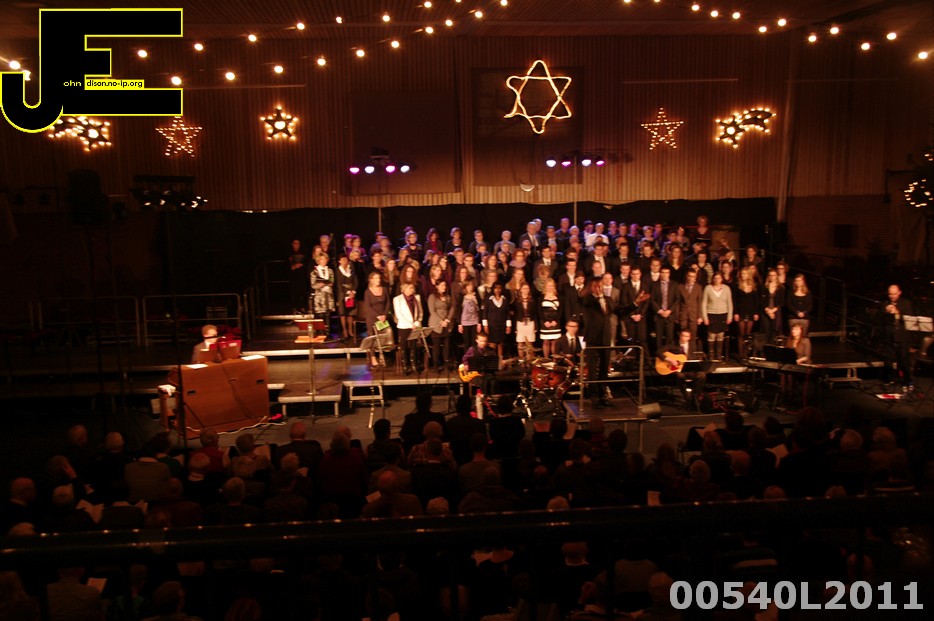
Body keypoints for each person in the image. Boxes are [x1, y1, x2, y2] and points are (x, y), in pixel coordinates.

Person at [657, 329, 707, 408]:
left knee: (702, 375)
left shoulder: (693, 345)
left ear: (689, 337)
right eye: (683, 335)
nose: (684, 338)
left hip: (690, 369)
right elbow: (658, 352)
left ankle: (695, 398)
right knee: (679, 376)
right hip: (678, 370)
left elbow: (694, 358)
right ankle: (687, 398)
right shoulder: (673, 343)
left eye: (687, 336)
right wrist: (670, 360)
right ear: (680, 335)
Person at [882, 283, 913, 390]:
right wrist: (886, 310)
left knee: (903, 361)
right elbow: (881, 317)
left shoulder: (906, 303)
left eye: (894, 294)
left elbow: (909, 319)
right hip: (890, 336)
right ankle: (890, 380)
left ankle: (907, 381)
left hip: (902, 337)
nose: (892, 296)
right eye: (890, 294)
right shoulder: (886, 303)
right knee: (888, 361)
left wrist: (897, 313)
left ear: (899, 293)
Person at [362, 271, 391, 369]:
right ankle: (373, 357)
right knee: (372, 336)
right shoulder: (367, 292)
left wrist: (384, 315)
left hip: (383, 317)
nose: (378, 280)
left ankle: (382, 355)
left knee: (386, 334)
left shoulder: (384, 289)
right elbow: (367, 307)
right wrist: (378, 316)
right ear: (371, 280)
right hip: (372, 318)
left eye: (379, 278)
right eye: (376, 278)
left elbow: (388, 303)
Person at [701, 271, 733, 361]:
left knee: (720, 335)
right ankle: (711, 355)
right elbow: (704, 303)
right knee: (711, 335)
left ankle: (719, 355)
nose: (716, 280)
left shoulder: (726, 288)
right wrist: (705, 317)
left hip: (723, 314)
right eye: (715, 278)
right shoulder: (708, 288)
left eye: (718, 278)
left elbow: (729, 303)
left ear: (722, 279)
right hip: (711, 314)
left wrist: (730, 316)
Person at [393, 282, 424, 375]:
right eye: (410, 288)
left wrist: (418, 322)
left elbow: (420, 312)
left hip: (415, 325)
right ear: (404, 289)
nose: (412, 290)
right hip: (404, 326)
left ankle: (414, 364)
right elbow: (399, 314)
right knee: (404, 346)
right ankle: (405, 366)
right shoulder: (397, 299)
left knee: (414, 345)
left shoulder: (417, 298)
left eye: (413, 288)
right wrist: (410, 324)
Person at [733, 266, 760, 357]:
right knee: (741, 334)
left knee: (748, 334)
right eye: (742, 274)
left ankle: (746, 354)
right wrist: (736, 313)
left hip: (751, 311)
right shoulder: (737, 285)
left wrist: (756, 313)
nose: (743, 275)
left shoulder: (753, 285)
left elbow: (756, 301)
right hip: (741, 311)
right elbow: (735, 300)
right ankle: (741, 354)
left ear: (748, 274)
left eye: (745, 273)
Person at [651, 266, 679, 351]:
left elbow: (677, 299)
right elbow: (652, 300)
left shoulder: (675, 284)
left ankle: (668, 356)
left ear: (669, 274)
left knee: (669, 338)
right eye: (662, 272)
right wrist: (660, 311)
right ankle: (659, 356)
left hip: (670, 315)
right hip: (659, 316)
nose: (664, 274)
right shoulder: (654, 285)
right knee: (658, 339)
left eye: (666, 273)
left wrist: (669, 311)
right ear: (660, 273)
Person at [427, 279, 453, 373]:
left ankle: (446, 365)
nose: (444, 287)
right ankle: (435, 366)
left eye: (445, 285)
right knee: (437, 346)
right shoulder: (432, 297)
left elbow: (451, 308)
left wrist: (447, 319)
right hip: (436, 324)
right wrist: (440, 321)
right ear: (437, 286)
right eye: (442, 285)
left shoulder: (447, 296)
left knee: (446, 346)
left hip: (446, 323)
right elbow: (432, 311)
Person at [481, 282, 511, 361]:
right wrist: (485, 325)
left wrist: (508, 326)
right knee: (492, 344)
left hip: (501, 325)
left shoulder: (504, 299)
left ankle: (500, 362)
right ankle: (492, 362)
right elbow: (484, 313)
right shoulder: (489, 299)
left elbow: (507, 313)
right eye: (495, 288)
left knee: (500, 344)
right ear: (493, 289)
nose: (497, 290)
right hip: (491, 325)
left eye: (499, 288)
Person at [335, 254, 359, 341]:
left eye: (345, 259)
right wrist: (346, 293)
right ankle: (345, 331)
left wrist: (353, 291)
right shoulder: (338, 271)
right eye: (342, 260)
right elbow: (338, 285)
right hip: (342, 294)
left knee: (350, 313)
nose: (344, 261)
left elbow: (356, 281)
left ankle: (350, 330)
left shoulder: (351, 269)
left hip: (351, 293)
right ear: (339, 261)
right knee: (343, 314)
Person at [677, 268, 704, 341]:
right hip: (683, 315)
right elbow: (678, 302)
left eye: (693, 276)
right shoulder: (680, 287)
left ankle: (692, 348)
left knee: (693, 335)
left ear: (695, 278)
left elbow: (700, 302)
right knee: (682, 336)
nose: (690, 278)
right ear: (686, 276)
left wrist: (700, 316)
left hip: (693, 315)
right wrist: (677, 316)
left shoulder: (698, 287)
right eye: (689, 276)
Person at [309, 252, 336, 327]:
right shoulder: (314, 272)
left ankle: (327, 331)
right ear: (318, 260)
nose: (324, 261)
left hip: (328, 295)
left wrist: (330, 283)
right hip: (320, 296)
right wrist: (319, 285)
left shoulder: (330, 271)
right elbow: (313, 285)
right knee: (320, 315)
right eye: (322, 259)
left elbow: (332, 281)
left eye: (325, 259)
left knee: (328, 315)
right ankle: (320, 331)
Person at [538, 278, 562, 357]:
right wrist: (545, 321)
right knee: (546, 341)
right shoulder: (541, 296)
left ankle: (554, 359)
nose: (550, 287)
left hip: (555, 321)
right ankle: (546, 359)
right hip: (545, 321)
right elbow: (539, 310)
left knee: (555, 341)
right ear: (545, 286)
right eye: (548, 286)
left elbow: (560, 310)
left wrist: (556, 320)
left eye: (551, 285)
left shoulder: (558, 296)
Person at [761, 267, 785, 345]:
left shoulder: (781, 288)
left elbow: (782, 302)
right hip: (766, 312)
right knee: (766, 331)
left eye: (774, 275)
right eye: (770, 275)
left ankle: (771, 348)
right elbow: (762, 301)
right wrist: (768, 310)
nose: (772, 277)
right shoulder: (764, 287)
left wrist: (773, 310)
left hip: (776, 312)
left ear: (776, 276)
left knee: (774, 331)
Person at [288, 238, 309, 314]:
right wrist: (293, 266)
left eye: (298, 243)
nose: (296, 245)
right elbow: (287, 264)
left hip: (302, 276)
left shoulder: (304, 253)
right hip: (293, 276)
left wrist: (301, 265)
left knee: (302, 292)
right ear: (292, 244)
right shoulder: (289, 253)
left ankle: (302, 308)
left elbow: (306, 264)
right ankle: (294, 308)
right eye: (295, 243)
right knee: (294, 292)